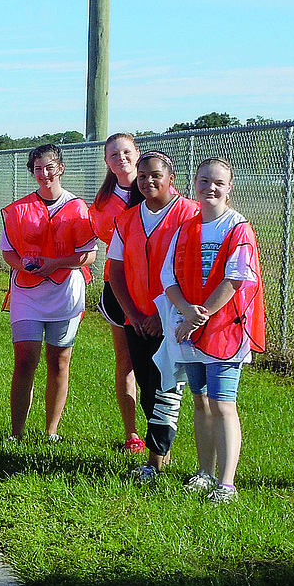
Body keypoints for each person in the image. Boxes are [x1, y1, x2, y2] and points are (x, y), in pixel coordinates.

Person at [159, 158, 265, 503]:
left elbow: (236, 279)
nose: (210, 188)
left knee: (223, 404)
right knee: (200, 402)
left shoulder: (238, 229)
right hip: (192, 332)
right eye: (204, 181)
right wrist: (186, 311)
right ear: (195, 183)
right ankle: (204, 473)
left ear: (230, 187)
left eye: (218, 182)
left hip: (224, 332)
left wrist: (196, 317)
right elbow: (169, 278)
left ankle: (226, 483)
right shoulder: (185, 228)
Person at [107, 151, 200, 483]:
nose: (148, 181)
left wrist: (164, 315)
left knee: (167, 388)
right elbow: (116, 271)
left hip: (174, 320)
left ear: (170, 178)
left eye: (155, 175)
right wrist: (132, 314)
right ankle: (160, 452)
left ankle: (157, 459)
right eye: (142, 176)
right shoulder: (128, 219)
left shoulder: (191, 215)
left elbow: (193, 272)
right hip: (138, 319)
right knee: (148, 387)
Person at [0, 144, 97, 442]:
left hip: (65, 294)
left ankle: (50, 432)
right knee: (25, 358)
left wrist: (55, 264)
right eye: (38, 168)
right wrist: (24, 266)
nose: (44, 174)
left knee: (59, 361)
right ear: (32, 172)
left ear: (61, 168)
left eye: (50, 167)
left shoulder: (78, 208)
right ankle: (16, 433)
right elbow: (8, 253)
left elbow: (88, 255)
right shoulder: (18, 209)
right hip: (27, 294)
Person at [90, 133, 146, 453]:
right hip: (118, 288)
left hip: (153, 291)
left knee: (157, 362)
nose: (121, 158)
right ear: (107, 163)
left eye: (127, 152)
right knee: (125, 361)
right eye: (114, 154)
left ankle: (160, 429)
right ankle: (132, 435)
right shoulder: (103, 202)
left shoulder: (159, 190)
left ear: (137, 153)